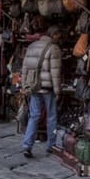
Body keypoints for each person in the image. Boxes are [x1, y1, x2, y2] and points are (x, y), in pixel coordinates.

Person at [21, 25, 62, 158]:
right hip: (48, 87)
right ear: (53, 35)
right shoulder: (53, 48)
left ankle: (27, 145)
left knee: (34, 116)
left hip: (34, 86)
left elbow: (25, 67)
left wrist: (24, 85)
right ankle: (51, 145)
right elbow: (55, 73)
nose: (59, 38)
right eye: (58, 35)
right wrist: (58, 91)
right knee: (51, 116)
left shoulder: (32, 46)